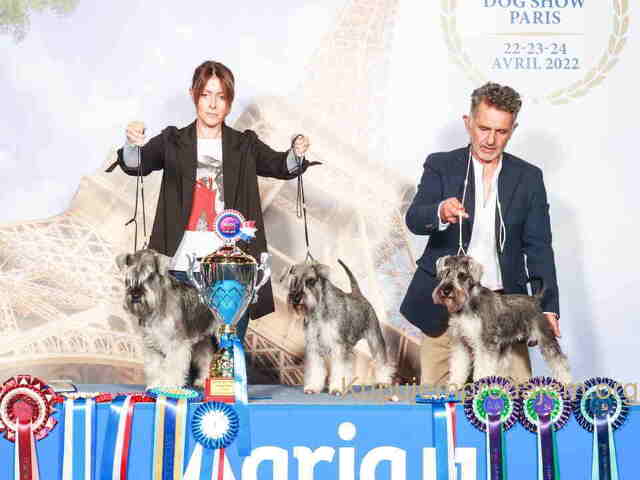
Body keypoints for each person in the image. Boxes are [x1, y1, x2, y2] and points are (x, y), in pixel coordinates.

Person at [108, 60, 317, 341]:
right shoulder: (172, 140)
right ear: (193, 95)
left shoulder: (245, 144)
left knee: (227, 354)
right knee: (176, 352)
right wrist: (132, 144)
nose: (213, 104)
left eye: (221, 96)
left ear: (229, 102)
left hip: (231, 270)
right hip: (177, 267)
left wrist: (296, 153)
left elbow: (280, 165)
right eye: (206, 94)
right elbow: (138, 164)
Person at [400, 82, 561, 386]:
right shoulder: (440, 165)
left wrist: (549, 306)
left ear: (512, 130)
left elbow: (539, 246)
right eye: (484, 128)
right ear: (468, 123)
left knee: (515, 402)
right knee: (437, 403)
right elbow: (414, 218)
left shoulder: (529, 177)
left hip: (504, 308)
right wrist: (439, 211)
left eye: (501, 132)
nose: (490, 140)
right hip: (444, 310)